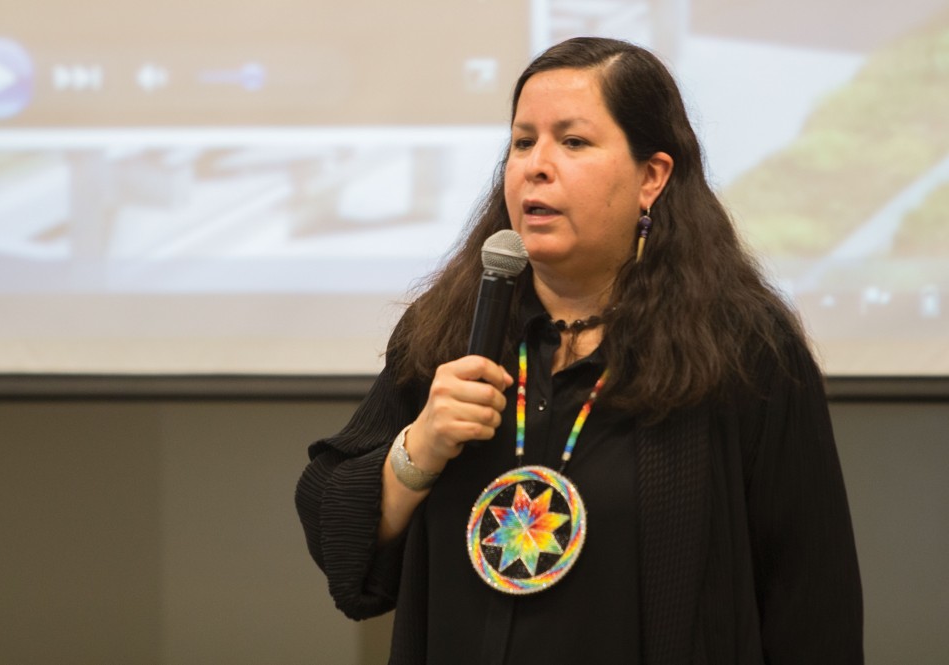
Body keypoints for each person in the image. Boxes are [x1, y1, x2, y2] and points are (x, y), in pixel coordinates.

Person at [295, 37, 863, 664]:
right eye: (522, 141)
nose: (536, 165)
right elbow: (335, 531)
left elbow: (812, 598)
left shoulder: (745, 348)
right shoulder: (448, 330)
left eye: (573, 142)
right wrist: (419, 449)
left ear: (652, 177)